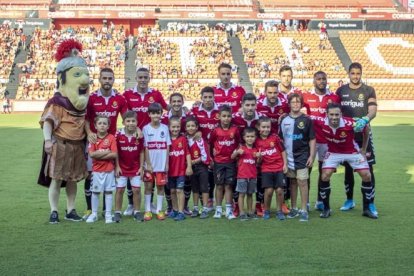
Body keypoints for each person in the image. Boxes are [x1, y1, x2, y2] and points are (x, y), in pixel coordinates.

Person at [38, 39, 89, 224]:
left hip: (77, 145)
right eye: (77, 74)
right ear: (62, 78)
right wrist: (47, 141)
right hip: (61, 144)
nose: (85, 80)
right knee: (57, 180)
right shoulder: (57, 102)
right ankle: (54, 211)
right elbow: (48, 122)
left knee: (73, 180)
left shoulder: (81, 103)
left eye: (85, 74)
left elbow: (86, 122)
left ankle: (71, 209)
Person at [313, 103, 378, 219]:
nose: (334, 117)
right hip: (333, 153)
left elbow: (366, 128)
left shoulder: (350, 123)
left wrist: (363, 148)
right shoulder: (320, 121)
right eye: (331, 114)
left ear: (341, 114)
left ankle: (367, 209)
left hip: (352, 152)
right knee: (325, 175)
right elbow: (304, 117)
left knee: (367, 175)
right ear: (326, 115)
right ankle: (326, 209)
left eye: (337, 114)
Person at [84, 68, 128, 219]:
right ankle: (90, 210)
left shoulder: (120, 99)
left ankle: (105, 210)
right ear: (99, 79)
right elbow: (86, 119)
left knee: (109, 174)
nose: (107, 81)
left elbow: (127, 118)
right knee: (91, 175)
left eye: (110, 78)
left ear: (113, 80)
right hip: (94, 141)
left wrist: (134, 131)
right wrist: (90, 133)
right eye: (105, 78)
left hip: (112, 142)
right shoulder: (91, 98)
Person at [336, 62, 377, 212]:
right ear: (348, 74)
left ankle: (370, 202)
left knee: (368, 168)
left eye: (358, 73)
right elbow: (335, 110)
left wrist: (365, 119)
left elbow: (373, 110)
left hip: (364, 135)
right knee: (348, 169)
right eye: (352, 73)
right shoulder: (341, 91)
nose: (355, 76)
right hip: (347, 136)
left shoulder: (368, 90)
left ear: (361, 74)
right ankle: (349, 200)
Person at [302, 71, 340, 211]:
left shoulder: (334, 97)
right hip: (310, 140)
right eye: (319, 79)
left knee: (324, 172)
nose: (322, 81)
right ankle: (305, 202)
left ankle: (320, 200)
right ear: (314, 81)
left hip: (327, 140)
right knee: (307, 171)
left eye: (324, 79)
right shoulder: (305, 97)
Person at [280, 93, 316, 222]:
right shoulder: (284, 120)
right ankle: (294, 208)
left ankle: (304, 209)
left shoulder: (307, 120)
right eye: (293, 102)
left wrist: (311, 156)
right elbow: (281, 140)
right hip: (289, 157)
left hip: (302, 156)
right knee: (293, 182)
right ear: (288, 104)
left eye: (298, 102)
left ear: (301, 104)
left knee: (302, 181)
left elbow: (312, 139)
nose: (295, 104)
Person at [231, 92, 263, 217]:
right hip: (240, 155)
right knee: (238, 185)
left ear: (256, 105)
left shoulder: (261, 118)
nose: (250, 108)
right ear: (242, 105)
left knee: (254, 186)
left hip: (256, 155)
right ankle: (238, 208)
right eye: (247, 105)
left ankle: (257, 206)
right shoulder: (235, 117)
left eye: (252, 105)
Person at [189, 86, 220, 212]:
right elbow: (189, 124)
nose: (207, 100)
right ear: (201, 98)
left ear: (214, 97)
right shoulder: (195, 110)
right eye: (205, 97)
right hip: (201, 150)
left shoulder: (220, 111)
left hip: (217, 149)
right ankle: (208, 201)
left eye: (210, 97)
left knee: (215, 176)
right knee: (204, 176)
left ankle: (215, 201)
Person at [210, 105, 240, 220]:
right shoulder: (216, 131)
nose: (226, 118)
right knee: (219, 186)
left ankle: (228, 210)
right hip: (218, 162)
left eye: (228, 116)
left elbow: (239, 143)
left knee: (228, 186)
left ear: (231, 117)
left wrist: (236, 154)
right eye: (224, 116)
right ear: (219, 117)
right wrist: (212, 158)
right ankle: (218, 209)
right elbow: (211, 144)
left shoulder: (235, 130)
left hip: (230, 162)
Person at [113, 111, 144, 223]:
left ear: (137, 122)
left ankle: (137, 212)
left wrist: (141, 167)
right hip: (121, 167)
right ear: (123, 122)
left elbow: (141, 152)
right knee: (120, 189)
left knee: (136, 190)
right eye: (128, 121)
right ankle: (117, 212)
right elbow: (115, 151)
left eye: (133, 121)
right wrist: (116, 166)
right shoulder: (118, 134)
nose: (131, 123)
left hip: (135, 167)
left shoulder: (139, 135)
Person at [142, 103, 171, 221]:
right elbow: (146, 147)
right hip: (150, 165)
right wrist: (148, 164)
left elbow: (167, 146)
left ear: (161, 114)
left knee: (160, 187)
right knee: (148, 186)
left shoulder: (165, 128)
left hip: (161, 164)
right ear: (149, 114)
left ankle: (159, 210)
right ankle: (147, 210)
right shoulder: (145, 128)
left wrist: (166, 163)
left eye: (158, 113)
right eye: (153, 113)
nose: (155, 115)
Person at [255, 117, 287, 220]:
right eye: (263, 127)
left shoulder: (275, 138)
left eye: (268, 127)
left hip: (278, 168)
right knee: (268, 191)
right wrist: (259, 158)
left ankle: (279, 211)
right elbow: (258, 162)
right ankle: (267, 210)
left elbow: (282, 151)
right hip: (266, 169)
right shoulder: (256, 141)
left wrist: (285, 164)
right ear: (258, 128)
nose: (266, 129)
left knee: (279, 191)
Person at [86, 116, 118, 223]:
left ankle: (108, 214)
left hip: (109, 170)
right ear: (95, 126)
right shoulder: (93, 138)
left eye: (105, 123)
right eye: (100, 123)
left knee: (108, 192)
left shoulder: (112, 138)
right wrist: (107, 152)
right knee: (95, 192)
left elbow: (114, 154)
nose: (102, 125)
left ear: (108, 126)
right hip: (96, 171)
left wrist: (99, 154)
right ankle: (94, 214)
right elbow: (91, 155)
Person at [161, 93, 188, 215]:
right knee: (171, 190)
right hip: (169, 165)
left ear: (183, 102)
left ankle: (183, 209)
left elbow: (194, 128)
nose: (176, 104)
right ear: (170, 103)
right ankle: (173, 208)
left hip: (181, 164)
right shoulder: (164, 119)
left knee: (180, 189)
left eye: (179, 101)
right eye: (174, 101)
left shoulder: (188, 116)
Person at [231, 127, 260, 221]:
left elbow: (258, 163)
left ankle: (250, 212)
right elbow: (232, 157)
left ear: (255, 138)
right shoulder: (241, 148)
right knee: (241, 194)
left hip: (252, 176)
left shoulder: (256, 150)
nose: (250, 138)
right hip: (242, 176)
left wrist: (260, 157)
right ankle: (242, 213)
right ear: (244, 137)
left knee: (250, 194)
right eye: (248, 136)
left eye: (252, 136)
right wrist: (236, 152)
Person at [186, 116, 211, 219]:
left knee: (204, 188)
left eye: (193, 126)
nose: (191, 128)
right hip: (191, 167)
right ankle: (195, 208)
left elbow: (205, 155)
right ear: (185, 128)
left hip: (201, 167)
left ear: (197, 127)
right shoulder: (185, 139)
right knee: (195, 189)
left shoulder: (200, 139)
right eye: (188, 126)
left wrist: (194, 161)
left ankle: (205, 208)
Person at [167, 117, 193, 221]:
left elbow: (187, 153)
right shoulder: (167, 139)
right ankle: (175, 210)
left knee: (179, 190)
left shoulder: (182, 139)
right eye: (173, 127)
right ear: (169, 127)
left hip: (181, 170)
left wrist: (189, 166)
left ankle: (181, 212)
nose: (175, 129)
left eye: (177, 127)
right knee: (172, 191)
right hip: (170, 171)